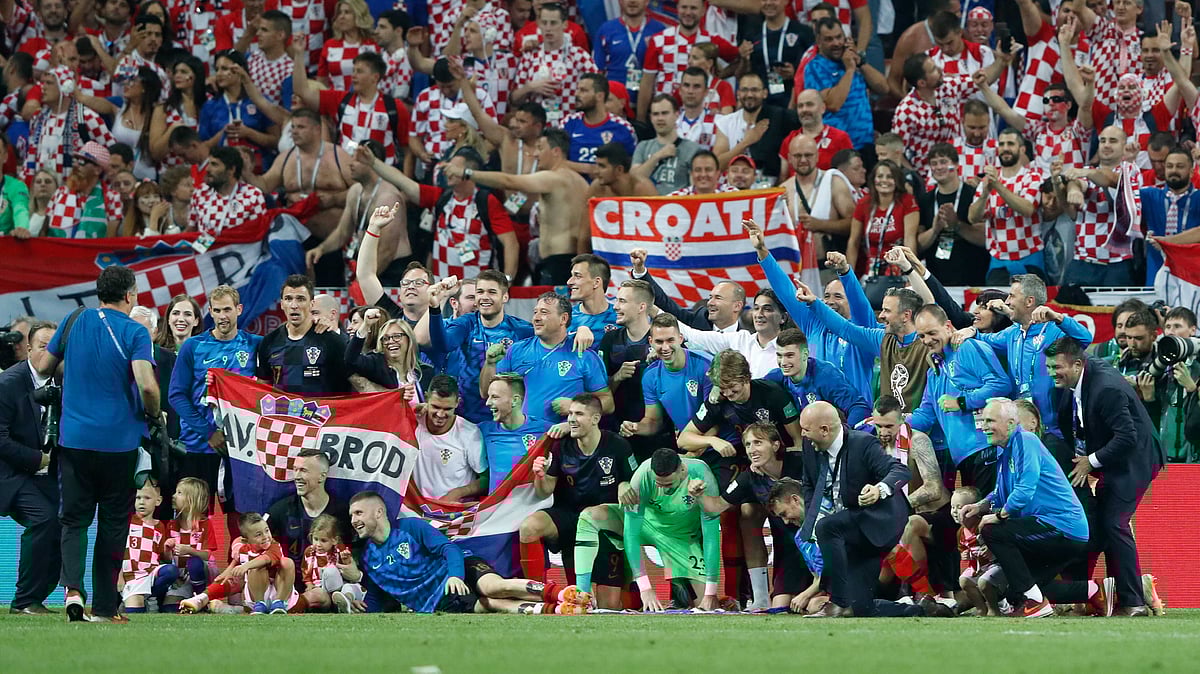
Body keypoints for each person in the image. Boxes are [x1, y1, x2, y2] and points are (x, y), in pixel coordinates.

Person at [39, 264, 161, 622]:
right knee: (112, 523)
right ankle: (106, 608)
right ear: (129, 295)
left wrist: (75, 370)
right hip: (118, 442)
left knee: (74, 519)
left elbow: (46, 366)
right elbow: (148, 385)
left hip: (75, 440)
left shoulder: (74, 321)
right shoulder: (136, 332)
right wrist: (154, 414)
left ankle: (73, 591)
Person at [1048, 336, 1164, 616]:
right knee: (1102, 524)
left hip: (1135, 459)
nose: (1052, 373)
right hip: (1112, 456)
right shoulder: (1071, 385)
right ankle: (1121, 592)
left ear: (1077, 364)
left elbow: (1127, 437)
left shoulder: (1105, 389)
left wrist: (1090, 462)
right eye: (1049, 367)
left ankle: (1133, 602)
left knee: (1114, 523)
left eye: (1057, 367)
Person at [960, 398, 1102, 618]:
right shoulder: (1004, 450)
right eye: (982, 420)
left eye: (990, 421)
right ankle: (1102, 591)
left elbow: (1025, 489)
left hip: (1062, 526)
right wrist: (979, 507)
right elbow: (1000, 493)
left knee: (993, 532)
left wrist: (997, 516)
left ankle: (1036, 602)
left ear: (1009, 423)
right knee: (1018, 586)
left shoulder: (1026, 440)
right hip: (1046, 528)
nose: (983, 426)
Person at [349, 490, 587, 614]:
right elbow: (380, 600)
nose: (353, 520)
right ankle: (557, 609)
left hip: (460, 567)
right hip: (439, 600)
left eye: (358, 513)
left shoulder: (410, 527)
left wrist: (455, 575)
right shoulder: (368, 559)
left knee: (495, 587)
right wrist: (357, 600)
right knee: (492, 605)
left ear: (379, 512)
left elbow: (448, 547)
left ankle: (561, 593)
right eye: (352, 515)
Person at [793, 402, 911, 618]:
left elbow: (899, 470)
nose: (802, 434)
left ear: (825, 430)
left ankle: (836, 603)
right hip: (852, 527)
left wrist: (879, 489)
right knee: (860, 607)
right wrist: (810, 521)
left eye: (806, 429)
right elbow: (809, 484)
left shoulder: (862, 443)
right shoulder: (811, 445)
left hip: (880, 521)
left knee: (828, 527)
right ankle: (925, 609)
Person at [520, 394, 636, 608]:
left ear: (595, 419)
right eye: (570, 413)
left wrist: (625, 484)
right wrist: (540, 475)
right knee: (529, 527)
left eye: (579, 414)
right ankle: (537, 594)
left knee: (607, 607)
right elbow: (545, 491)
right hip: (569, 516)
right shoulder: (561, 447)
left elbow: (635, 485)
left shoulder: (618, 446)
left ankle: (632, 595)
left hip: (604, 525)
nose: (571, 419)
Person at [442, 129, 589, 286]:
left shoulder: (554, 178)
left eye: (540, 148)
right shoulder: (580, 182)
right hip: (571, 259)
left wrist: (466, 172)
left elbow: (509, 181)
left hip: (556, 263)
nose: (535, 154)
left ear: (556, 151)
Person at [952, 274, 1093, 437]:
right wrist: (971, 331)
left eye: (1012, 296)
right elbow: (985, 338)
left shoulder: (1054, 330)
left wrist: (1058, 317)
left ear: (1029, 301)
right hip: (1022, 427)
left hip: (1054, 432)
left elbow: (1085, 338)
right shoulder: (1012, 333)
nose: (1007, 302)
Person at [690, 422, 809, 611]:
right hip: (789, 552)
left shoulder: (803, 462)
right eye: (747, 445)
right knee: (781, 608)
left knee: (814, 604)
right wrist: (698, 494)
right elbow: (715, 507)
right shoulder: (749, 478)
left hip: (819, 543)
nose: (752, 449)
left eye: (758, 443)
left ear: (776, 445)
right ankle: (761, 599)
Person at [366, 145, 518, 283]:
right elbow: (403, 182)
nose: (446, 170)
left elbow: (510, 243)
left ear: (468, 172)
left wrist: (507, 281)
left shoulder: (486, 202)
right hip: (443, 290)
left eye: (453, 167)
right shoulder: (441, 198)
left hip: (474, 292)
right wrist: (373, 162)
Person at [911, 304, 1010, 494]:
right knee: (970, 518)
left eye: (932, 332)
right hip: (962, 457)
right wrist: (895, 423)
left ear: (948, 326)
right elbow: (926, 415)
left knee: (987, 516)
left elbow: (1000, 384)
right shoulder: (935, 371)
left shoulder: (968, 348)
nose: (927, 340)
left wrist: (961, 402)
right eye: (921, 336)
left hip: (987, 448)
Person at [480, 292, 612, 431]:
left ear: (563, 318)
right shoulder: (516, 351)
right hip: (521, 437)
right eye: (535, 312)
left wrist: (577, 407)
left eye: (544, 312)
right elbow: (485, 393)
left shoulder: (584, 355)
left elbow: (608, 403)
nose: (536, 318)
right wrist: (490, 364)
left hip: (563, 439)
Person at [795, 278, 930, 411]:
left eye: (887, 310)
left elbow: (931, 304)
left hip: (922, 428)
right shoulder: (882, 338)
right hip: (889, 425)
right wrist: (815, 303)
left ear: (906, 315)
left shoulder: (929, 345)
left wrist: (908, 268)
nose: (881, 315)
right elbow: (845, 329)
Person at [0, 318, 60, 615]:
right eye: (42, 346)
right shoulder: (8, 383)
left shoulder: (63, 382)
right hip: (11, 474)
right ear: (27, 348)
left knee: (66, 525)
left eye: (54, 347)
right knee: (43, 519)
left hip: (46, 476)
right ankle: (23, 601)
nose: (47, 353)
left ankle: (37, 596)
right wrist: (39, 459)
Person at [424, 270, 534, 425]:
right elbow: (444, 345)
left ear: (505, 297)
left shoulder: (521, 330)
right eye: (480, 292)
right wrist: (434, 308)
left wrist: (581, 330)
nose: (484, 297)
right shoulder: (467, 323)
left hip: (504, 420)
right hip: (466, 418)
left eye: (492, 292)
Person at [636, 0, 739, 122]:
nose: (688, 12)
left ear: (703, 11)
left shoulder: (712, 40)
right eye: (684, 7)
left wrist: (720, 76)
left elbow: (739, 60)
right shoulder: (659, 40)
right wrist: (641, 120)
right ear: (678, 8)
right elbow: (647, 82)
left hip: (701, 116)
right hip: (664, 115)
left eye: (693, 8)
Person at [620, 312, 713, 447]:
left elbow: (715, 415)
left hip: (717, 444)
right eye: (659, 341)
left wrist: (696, 451)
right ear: (651, 342)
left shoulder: (705, 365)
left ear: (680, 339)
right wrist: (636, 427)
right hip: (687, 445)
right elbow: (653, 421)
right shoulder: (650, 376)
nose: (665, 347)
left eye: (670, 340)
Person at [266, 449, 353, 592]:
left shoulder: (343, 512)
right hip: (287, 584)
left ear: (322, 476)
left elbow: (359, 549)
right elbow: (254, 534)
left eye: (303, 471)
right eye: (295, 470)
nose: (297, 476)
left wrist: (355, 576)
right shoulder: (281, 509)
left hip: (329, 586)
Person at [180, 512, 298, 615]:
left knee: (286, 562)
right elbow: (236, 561)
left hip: (278, 589)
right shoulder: (243, 550)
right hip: (256, 594)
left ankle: (278, 602)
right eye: (258, 534)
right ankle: (201, 599)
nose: (265, 536)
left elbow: (265, 559)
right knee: (243, 573)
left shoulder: (274, 545)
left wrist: (245, 566)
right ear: (246, 540)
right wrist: (227, 571)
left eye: (267, 531)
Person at [256, 275, 351, 395]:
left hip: (321, 412)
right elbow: (262, 387)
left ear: (311, 304)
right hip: (283, 413)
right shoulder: (269, 341)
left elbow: (353, 383)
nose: (294, 305)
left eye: (300, 299)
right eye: (288, 299)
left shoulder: (332, 341)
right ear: (282, 304)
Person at [804, 16, 889, 151]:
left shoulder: (854, 61)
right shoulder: (814, 68)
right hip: (836, 147)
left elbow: (884, 88)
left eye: (839, 37)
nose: (836, 43)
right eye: (829, 39)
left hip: (866, 143)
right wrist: (849, 70)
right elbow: (833, 104)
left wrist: (860, 62)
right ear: (819, 42)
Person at [511, 2, 599, 127]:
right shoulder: (529, 56)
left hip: (571, 125)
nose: (548, 28)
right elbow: (514, 99)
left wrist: (578, 97)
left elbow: (598, 90)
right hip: (537, 128)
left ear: (564, 24)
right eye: (544, 23)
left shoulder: (579, 56)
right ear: (538, 24)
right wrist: (530, 87)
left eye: (553, 23)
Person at [763, 328, 870, 427]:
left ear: (805, 354)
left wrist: (846, 437)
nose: (783, 362)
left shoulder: (826, 376)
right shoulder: (775, 377)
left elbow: (858, 407)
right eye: (779, 355)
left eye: (789, 355)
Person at [628, 247, 745, 334]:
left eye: (718, 298)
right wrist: (640, 271)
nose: (710, 303)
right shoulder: (697, 321)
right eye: (710, 297)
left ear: (737, 306)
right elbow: (664, 303)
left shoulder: (749, 337)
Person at [412, 375, 486, 502]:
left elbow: (486, 479)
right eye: (435, 407)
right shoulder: (412, 423)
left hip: (453, 514)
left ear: (457, 402)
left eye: (447, 409)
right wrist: (411, 409)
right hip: (416, 509)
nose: (440, 414)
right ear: (426, 398)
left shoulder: (470, 433)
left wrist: (459, 493)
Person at [592, 0, 665, 111]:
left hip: (649, 104)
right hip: (613, 105)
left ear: (647, 1)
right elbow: (598, 72)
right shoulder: (606, 29)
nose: (632, 1)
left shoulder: (659, 30)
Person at [559, 73, 636, 178]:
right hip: (573, 186)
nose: (577, 94)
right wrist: (588, 168)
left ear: (600, 96)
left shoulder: (623, 128)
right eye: (577, 89)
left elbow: (632, 167)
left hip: (608, 189)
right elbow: (555, 162)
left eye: (584, 91)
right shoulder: (568, 123)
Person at [346, 308, 432, 398]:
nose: (391, 341)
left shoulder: (425, 372)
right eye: (386, 338)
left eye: (397, 336)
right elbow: (351, 359)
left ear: (409, 339)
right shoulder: (376, 365)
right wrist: (366, 326)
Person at [118, 479, 173, 614]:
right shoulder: (128, 521)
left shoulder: (160, 526)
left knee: (171, 571)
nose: (141, 502)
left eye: (147, 498)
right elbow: (118, 550)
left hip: (150, 574)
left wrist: (168, 549)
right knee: (135, 612)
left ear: (158, 501)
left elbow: (164, 558)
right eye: (138, 498)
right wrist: (119, 576)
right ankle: (130, 601)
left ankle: (151, 596)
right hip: (132, 576)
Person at [187, 146, 268, 238]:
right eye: (208, 164)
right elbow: (191, 230)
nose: (207, 169)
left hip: (239, 249)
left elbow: (260, 234)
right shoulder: (200, 193)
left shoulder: (253, 195)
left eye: (214, 164)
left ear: (231, 170)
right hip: (206, 249)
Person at [631, 94, 701, 195]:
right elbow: (633, 180)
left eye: (665, 113)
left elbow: (695, 189)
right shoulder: (643, 146)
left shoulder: (692, 149)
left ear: (676, 115)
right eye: (656, 114)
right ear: (650, 118)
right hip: (648, 207)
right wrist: (657, 156)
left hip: (678, 206)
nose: (660, 118)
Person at [294, 513, 363, 613]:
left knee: (349, 587)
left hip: (341, 586)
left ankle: (345, 601)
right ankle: (337, 603)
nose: (318, 544)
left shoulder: (339, 550)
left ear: (334, 540)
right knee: (328, 574)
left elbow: (348, 569)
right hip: (321, 588)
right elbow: (306, 572)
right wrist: (309, 585)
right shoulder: (309, 552)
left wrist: (346, 559)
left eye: (323, 540)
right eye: (315, 539)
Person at [566, 254, 618, 339]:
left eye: (578, 276)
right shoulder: (566, 319)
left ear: (596, 282)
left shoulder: (620, 318)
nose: (569, 282)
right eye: (572, 276)